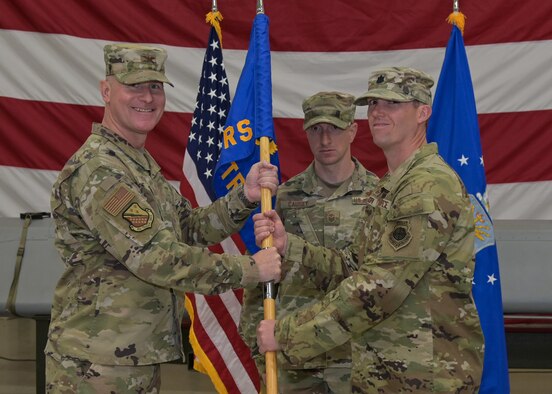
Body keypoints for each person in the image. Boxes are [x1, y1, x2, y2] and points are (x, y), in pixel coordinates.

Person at [45, 43, 281, 393]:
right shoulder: (100, 170)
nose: (148, 97)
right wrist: (251, 269)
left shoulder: (136, 163)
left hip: (129, 355)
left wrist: (243, 197)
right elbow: (158, 258)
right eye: (134, 86)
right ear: (106, 90)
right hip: (95, 366)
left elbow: (188, 228)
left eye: (155, 87)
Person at [254, 67, 485, 393]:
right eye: (373, 104)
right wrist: (289, 245)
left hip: (425, 376)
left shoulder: (427, 185)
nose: (377, 112)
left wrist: (288, 334)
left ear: (422, 112)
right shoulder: (391, 188)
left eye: (392, 104)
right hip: (385, 372)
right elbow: (354, 266)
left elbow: (381, 286)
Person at [240, 92, 379, 393]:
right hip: (293, 355)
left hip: (354, 353)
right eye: (316, 129)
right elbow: (262, 275)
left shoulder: (379, 197)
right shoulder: (283, 197)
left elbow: (381, 280)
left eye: (335, 128)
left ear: (353, 131)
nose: (325, 139)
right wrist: (256, 343)